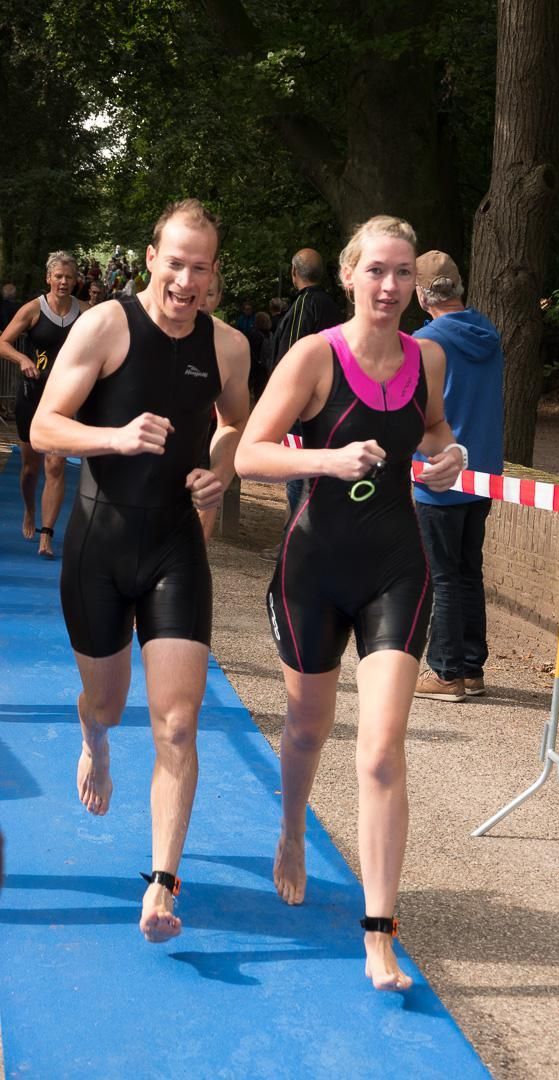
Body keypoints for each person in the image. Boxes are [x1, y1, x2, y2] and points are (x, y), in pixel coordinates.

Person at [234, 215, 465, 991]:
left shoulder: (428, 357)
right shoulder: (313, 356)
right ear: (348, 275)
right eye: (376, 271)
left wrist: (448, 455)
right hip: (316, 569)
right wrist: (327, 458)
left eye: (402, 273)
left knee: (378, 750)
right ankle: (294, 829)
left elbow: (434, 432)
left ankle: (379, 931)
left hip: (399, 568)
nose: (390, 286)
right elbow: (248, 452)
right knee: (307, 727)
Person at [30, 198, 250, 943]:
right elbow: (43, 426)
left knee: (178, 724)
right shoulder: (107, 325)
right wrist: (117, 437)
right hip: (99, 542)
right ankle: (92, 738)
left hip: (173, 548)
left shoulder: (229, 347)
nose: (187, 279)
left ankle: (161, 882)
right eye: (176, 262)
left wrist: (217, 472)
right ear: (151, 257)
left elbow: (232, 425)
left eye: (202, 267)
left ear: (215, 274)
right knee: (107, 701)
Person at [411, 251, 504, 702]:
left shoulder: (425, 341)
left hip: (440, 470)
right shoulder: (488, 331)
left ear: (421, 293)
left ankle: (446, 672)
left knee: (442, 573)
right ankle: (471, 667)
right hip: (483, 470)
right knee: (469, 570)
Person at [0, 252, 87, 556]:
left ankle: (46, 535)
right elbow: (3, 343)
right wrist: (23, 358)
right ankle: (28, 510)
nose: (64, 282)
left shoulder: (87, 312)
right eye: (58, 276)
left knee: (56, 463)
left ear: (77, 280)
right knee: (30, 469)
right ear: (49, 278)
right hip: (31, 395)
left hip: (64, 398)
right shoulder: (33, 309)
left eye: (69, 277)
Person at [270, 248, 343, 519]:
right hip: (327, 401)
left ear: (294, 272)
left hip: (302, 404)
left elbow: (292, 358)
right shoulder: (332, 307)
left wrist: (281, 402)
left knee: (296, 473)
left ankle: (293, 536)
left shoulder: (304, 305)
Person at [197, 269, 251, 541]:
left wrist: (218, 476)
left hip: (203, 445)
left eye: (210, 294)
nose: (201, 300)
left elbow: (234, 419)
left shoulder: (230, 344)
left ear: (218, 298)